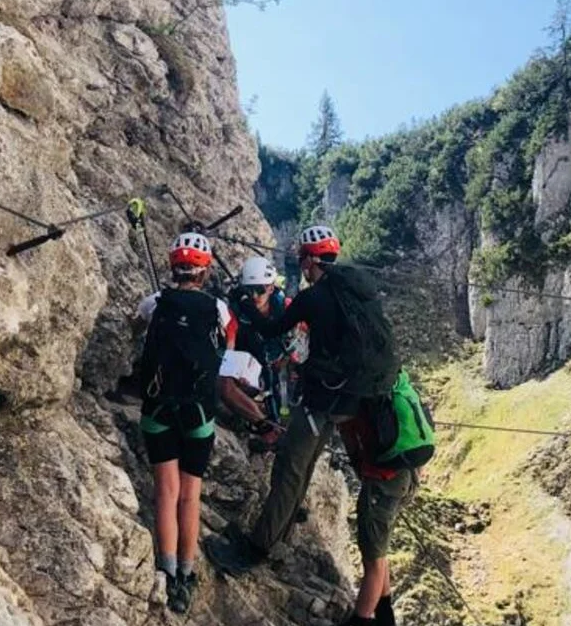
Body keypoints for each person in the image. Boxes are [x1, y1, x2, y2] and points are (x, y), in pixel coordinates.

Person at [205, 225, 398, 573]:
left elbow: (270, 329)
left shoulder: (313, 297)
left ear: (310, 259)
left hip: (322, 400)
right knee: (303, 466)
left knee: (290, 470)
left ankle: (256, 549)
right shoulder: (357, 287)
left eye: (302, 260)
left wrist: (245, 302)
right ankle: (280, 536)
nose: (301, 267)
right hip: (353, 399)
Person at [136, 232, 268, 613]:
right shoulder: (220, 310)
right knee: (190, 494)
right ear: (205, 271)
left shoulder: (154, 303)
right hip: (199, 412)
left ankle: (168, 569)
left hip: (158, 408)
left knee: (165, 491)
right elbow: (225, 354)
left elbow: (138, 330)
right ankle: (188, 576)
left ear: (173, 265)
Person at [337, 399, 417, 626]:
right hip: (405, 475)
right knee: (378, 550)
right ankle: (385, 617)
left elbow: (351, 441)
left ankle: (360, 620)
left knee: (372, 560)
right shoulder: (390, 386)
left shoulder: (354, 393)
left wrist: (363, 471)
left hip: (382, 481)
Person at [228, 256, 293, 449]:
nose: (255, 296)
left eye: (260, 290)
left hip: (278, 359)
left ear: (271, 288)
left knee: (283, 392)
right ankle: (263, 428)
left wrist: (291, 357)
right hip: (248, 363)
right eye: (250, 291)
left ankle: (282, 426)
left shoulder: (285, 306)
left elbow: (305, 332)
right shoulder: (236, 311)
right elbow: (230, 345)